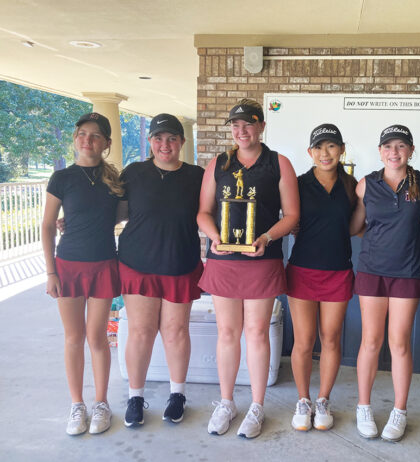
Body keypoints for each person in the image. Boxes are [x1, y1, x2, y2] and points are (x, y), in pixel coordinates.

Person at [197, 99, 299, 439]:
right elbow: (203, 212)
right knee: (227, 333)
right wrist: (214, 238)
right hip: (224, 260)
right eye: (236, 125)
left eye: (249, 124)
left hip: (262, 260)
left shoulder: (279, 163)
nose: (242, 131)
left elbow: (292, 216)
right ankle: (227, 402)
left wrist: (267, 237)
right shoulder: (219, 163)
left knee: (256, 333)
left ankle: (256, 406)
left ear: (261, 127)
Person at [351, 124, 420, 442]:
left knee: (399, 343)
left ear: (411, 151)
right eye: (388, 146)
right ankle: (364, 407)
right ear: (380, 151)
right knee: (370, 342)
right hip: (372, 271)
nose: (394, 152)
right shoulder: (366, 185)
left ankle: (399, 411)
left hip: (408, 271)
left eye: (401, 146)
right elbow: (356, 226)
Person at [118, 114, 204, 427]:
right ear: (150, 142)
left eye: (171, 139)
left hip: (180, 263)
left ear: (182, 142)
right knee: (140, 331)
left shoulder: (197, 176)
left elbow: (215, 212)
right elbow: (114, 210)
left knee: (176, 331)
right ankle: (135, 397)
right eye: (158, 138)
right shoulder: (134, 173)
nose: (164, 145)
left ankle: (177, 394)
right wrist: (72, 220)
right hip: (137, 264)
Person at [42, 112, 122, 435]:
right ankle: (77, 405)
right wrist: (51, 272)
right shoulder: (61, 178)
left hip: (103, 264)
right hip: (68, 266)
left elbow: (128, 215)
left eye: (95, 136)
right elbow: (48, 225)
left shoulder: (115, 181)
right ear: (76, 138)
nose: (87, 140)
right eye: (82, 134)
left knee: (98, 337)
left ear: (106, 143)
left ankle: (101, 403)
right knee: (74, 337)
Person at [286, 123, 357, 432]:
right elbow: (288, 219)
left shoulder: (352, 185)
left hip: (338, 271)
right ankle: (303, 400)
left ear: (341, 149)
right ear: (310, 152)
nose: (325, 153)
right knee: (304, 341)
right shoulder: (297, 184)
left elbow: (358, 225)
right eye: (319, 147)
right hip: (302, 270)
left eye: (331, 146)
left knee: (330, 338)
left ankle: (323, 400)